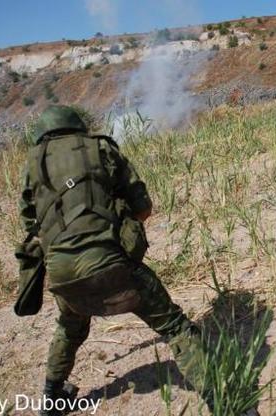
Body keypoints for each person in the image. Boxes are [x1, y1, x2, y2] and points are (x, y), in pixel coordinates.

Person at [17, 105, 206, 415]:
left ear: (43, 134)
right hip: (111, 263)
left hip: (61, 271)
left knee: (69, 327)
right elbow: (143, 205)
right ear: (78, 127)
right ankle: (226, 399)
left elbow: (30, 226)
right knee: (174, 327)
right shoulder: (101, 148)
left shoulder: (33, 163)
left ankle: (52, 399)